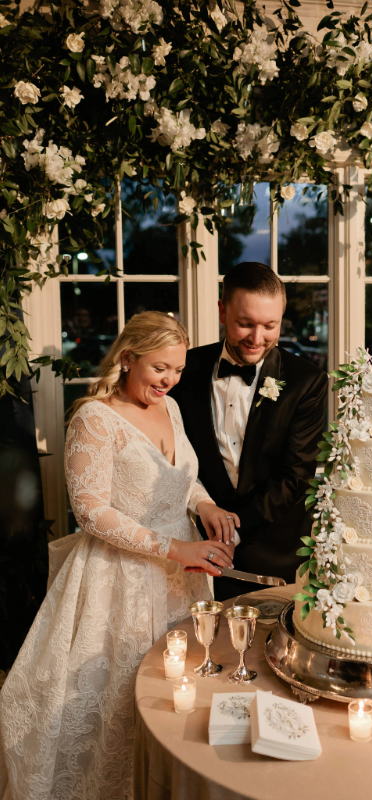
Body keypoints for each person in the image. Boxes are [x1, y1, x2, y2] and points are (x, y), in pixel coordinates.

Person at [0, 311, 237, 800]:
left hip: (181, 577)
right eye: (159, 368)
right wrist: (173, 546)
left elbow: (182, 476)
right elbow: (89, 511)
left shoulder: (168, 409)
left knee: (179, 692)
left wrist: (206, 503)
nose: (169, 380)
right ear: (128, 359)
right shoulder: (94, 417)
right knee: (119, 697)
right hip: (118, 579)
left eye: (177, 370)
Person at [171, 262, 328, 601]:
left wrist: (230, 532)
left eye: (270, 326)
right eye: (245, 324)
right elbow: (170, 457)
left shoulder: (307, 381)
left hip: (274, 562)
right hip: (193, 552)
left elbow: (295, 476)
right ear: (222, 311)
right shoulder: (184, 369)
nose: (257, 338)